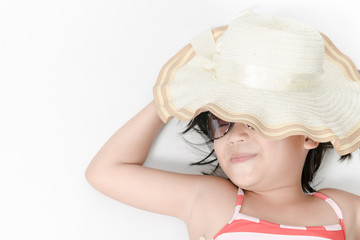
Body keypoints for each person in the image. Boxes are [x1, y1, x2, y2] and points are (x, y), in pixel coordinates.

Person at [85, 9, 360, 239]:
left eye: (256, 120)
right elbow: (105, 172)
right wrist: (171, 97)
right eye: (222, 122)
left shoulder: (343, 211)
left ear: (309, 134)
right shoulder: (213, 200)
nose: (235, 136)